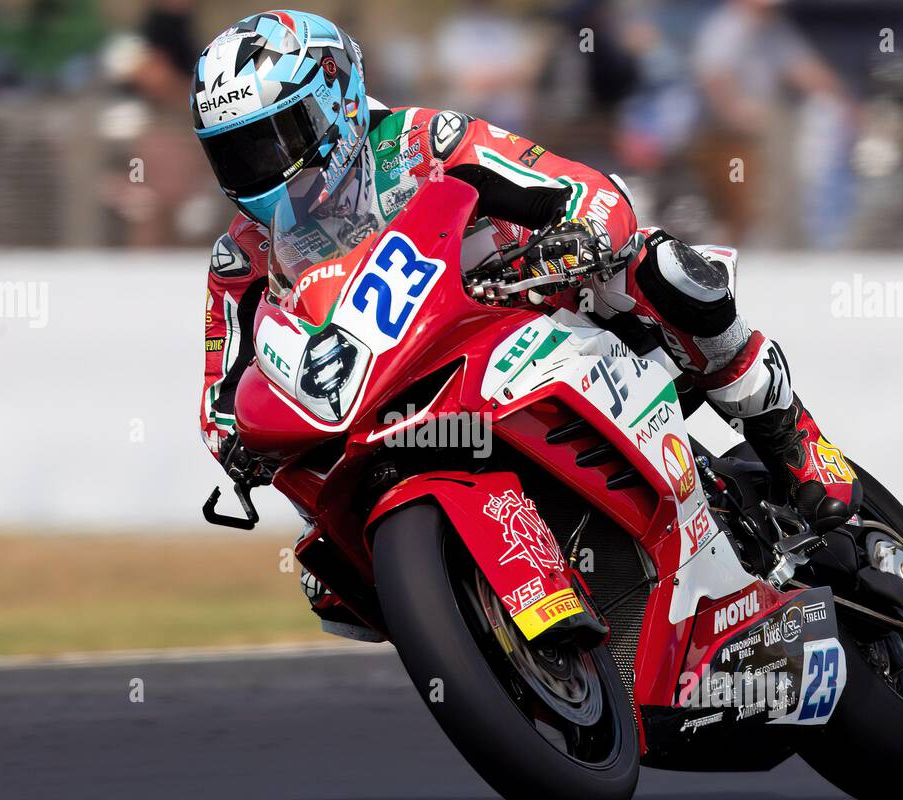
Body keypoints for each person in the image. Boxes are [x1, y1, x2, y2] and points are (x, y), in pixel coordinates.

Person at [194, 10, 860, 537]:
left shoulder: (427, 140)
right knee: (322, 560)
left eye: (272, 140)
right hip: (395, 390)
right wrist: (239, 449)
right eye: (236, 155)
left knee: (658, 267)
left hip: (535, 309)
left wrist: (575, 238)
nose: (258, 169)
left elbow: (586, 191)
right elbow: (223, 393)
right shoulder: (242, 255)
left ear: (334, 101)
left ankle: (790, 437)